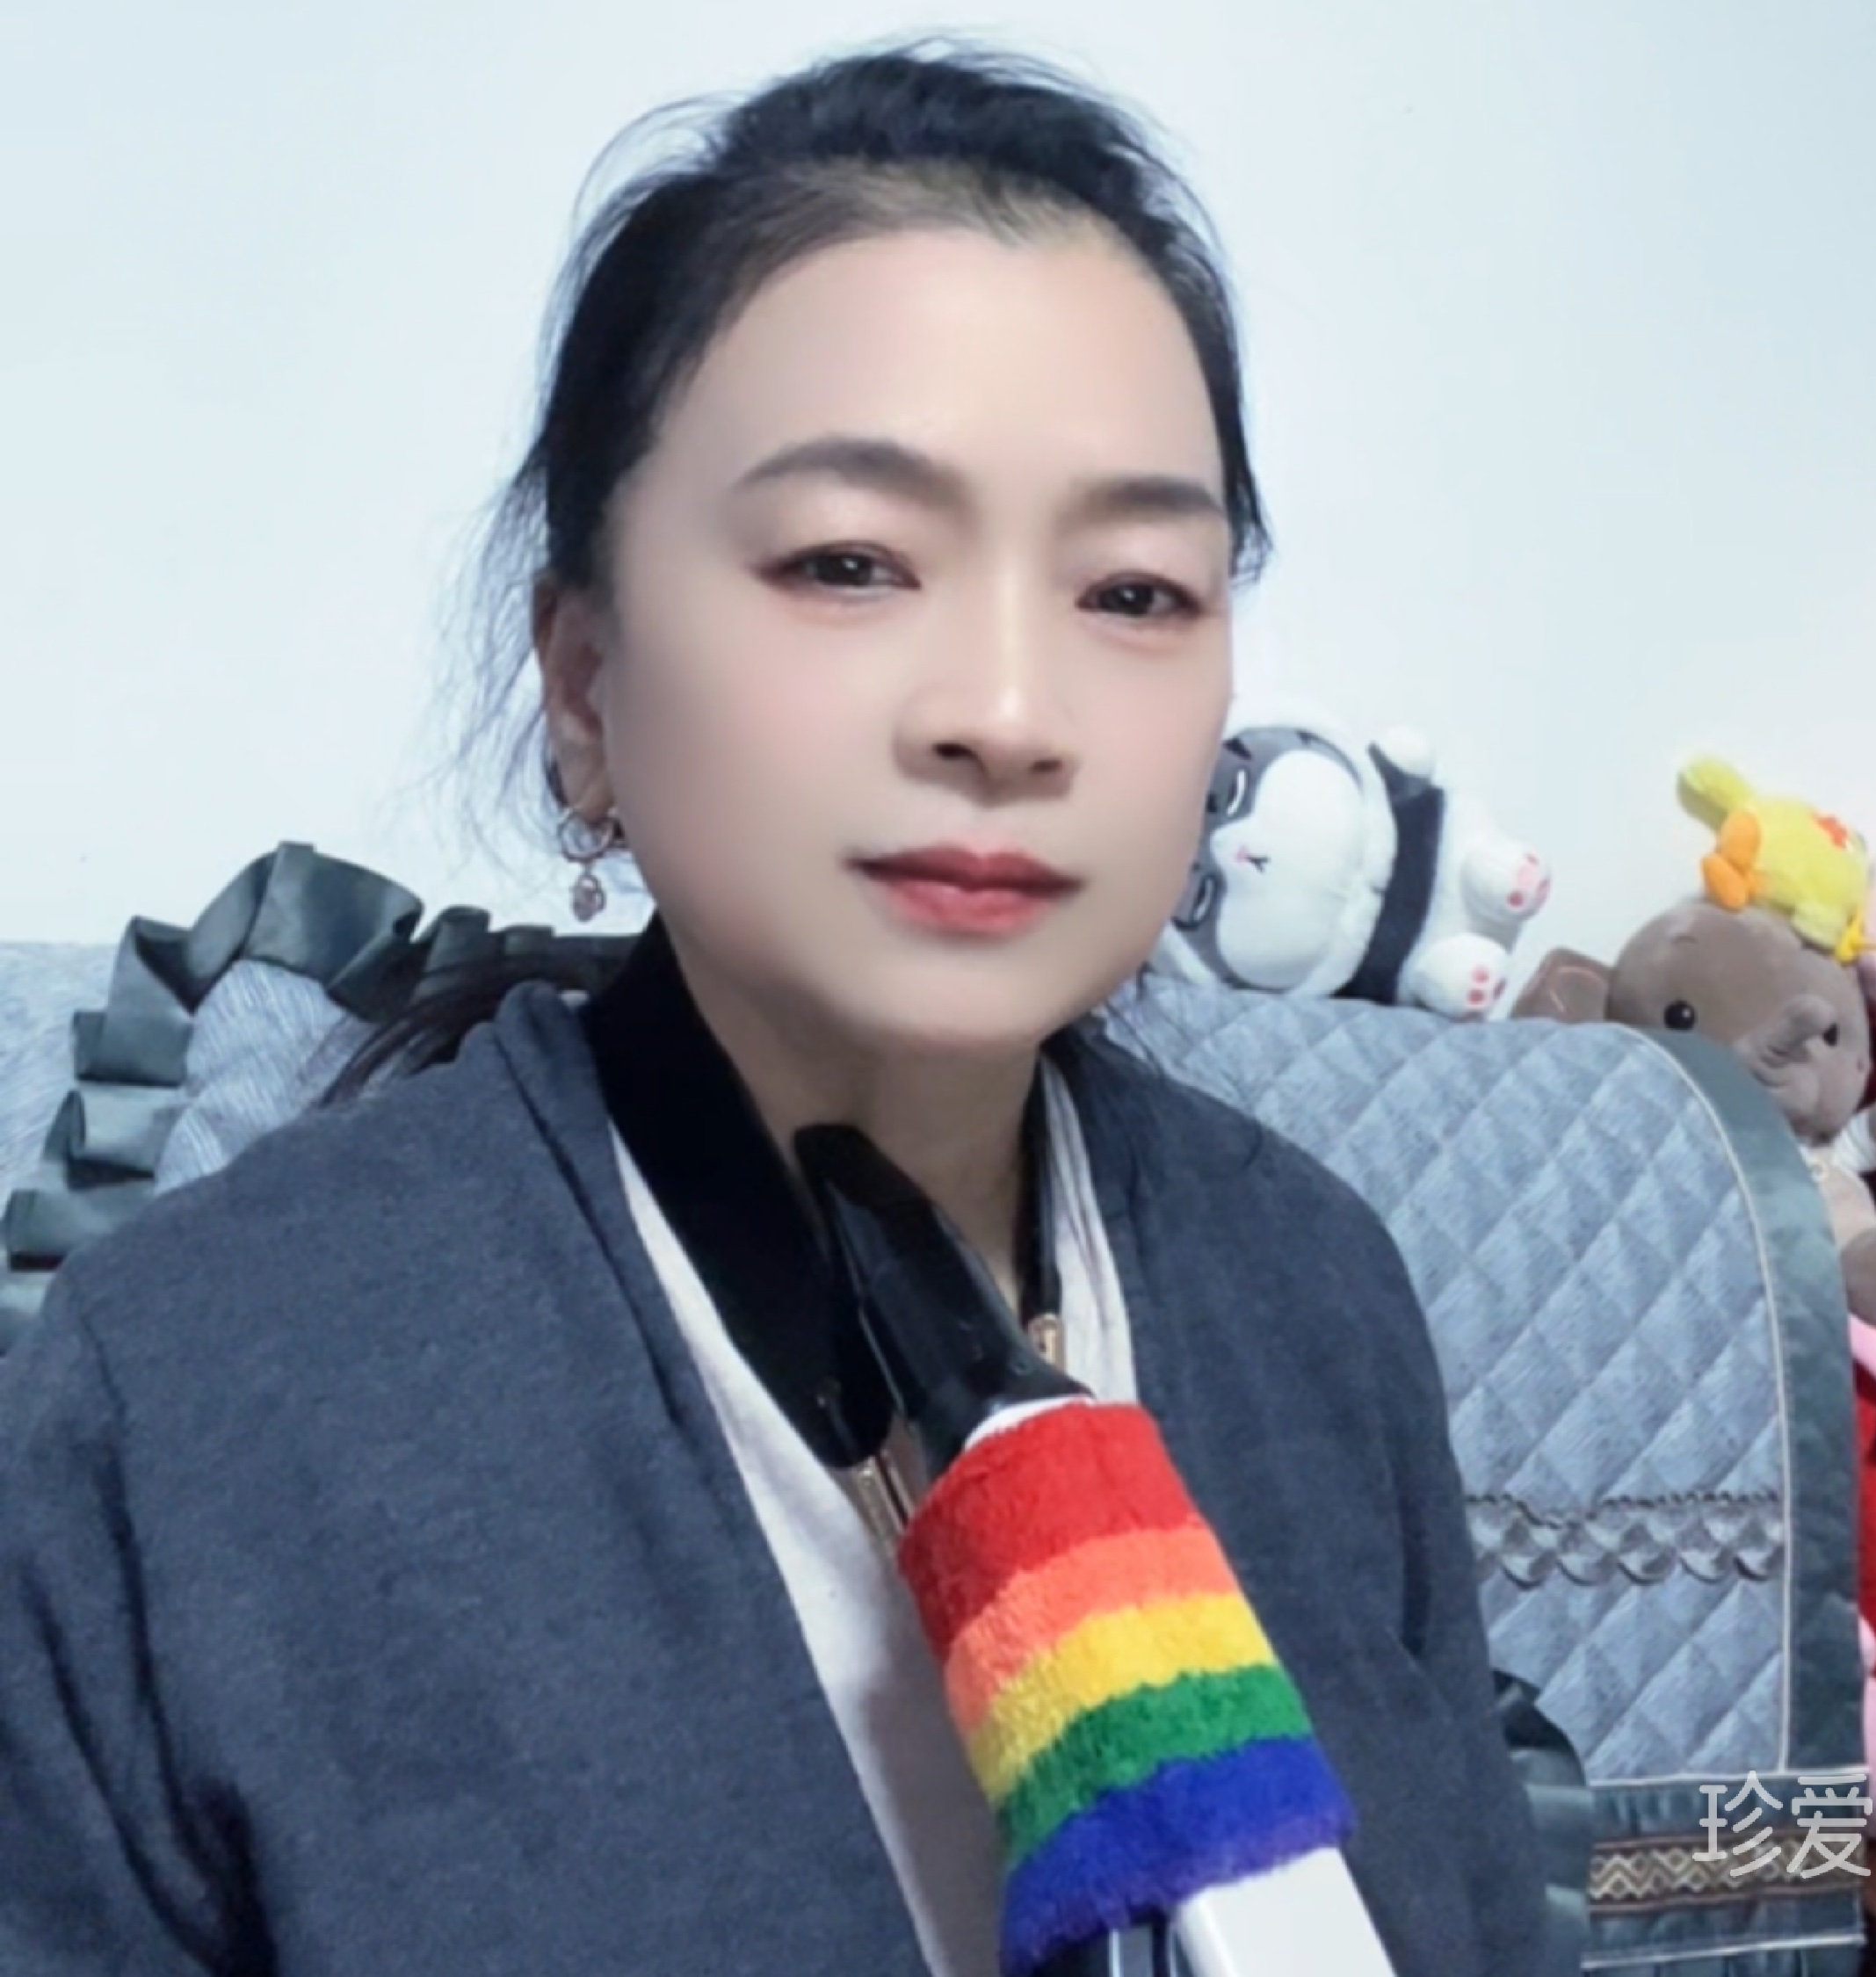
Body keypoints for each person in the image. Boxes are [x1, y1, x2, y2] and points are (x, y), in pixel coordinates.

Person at [0, 42, 1548, 1977]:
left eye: (1135, 591)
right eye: (849, 562)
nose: (1008, 712)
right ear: (584, 683)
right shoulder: (191, 1391)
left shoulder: (1315, 1290)